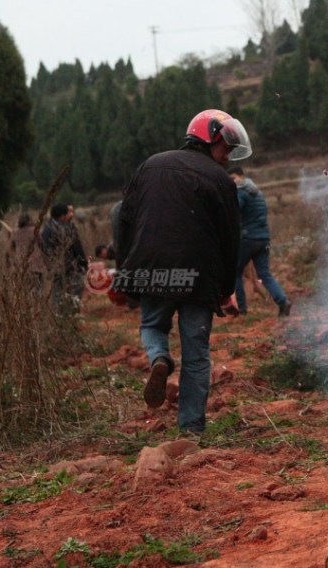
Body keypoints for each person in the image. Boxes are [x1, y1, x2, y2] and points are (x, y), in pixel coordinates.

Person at [115, 109, 251, 434]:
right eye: (225, 147)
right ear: (208, 137)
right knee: (197, 355)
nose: (228, 155)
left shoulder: (150, 165)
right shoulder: (220, 181)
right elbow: (231, 239)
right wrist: (225, 285)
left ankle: (159, 358)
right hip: (199, 277)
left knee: (151, 325)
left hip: (150, 269)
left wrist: (126, 269)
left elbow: (123, 218)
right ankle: (191, 428)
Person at [227, 165, 292, 317]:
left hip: (248, 239)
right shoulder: (257, 192)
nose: (232, 182)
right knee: (264, 274)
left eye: (233, 179)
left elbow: (233, 213)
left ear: (241, 177)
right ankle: (283, 302)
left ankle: (241, 309)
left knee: (235, 272)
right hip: (264, 239)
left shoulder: (241, 192)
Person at [41, 203, 88, 308]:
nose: (69, 215)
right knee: (78, 284)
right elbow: (76, 246)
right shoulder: (65, 227)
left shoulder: (47, 228)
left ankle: (60, 314)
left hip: (55, 266)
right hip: (67, 265)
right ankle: (71, 310)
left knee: (58, 290)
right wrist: (83, 263)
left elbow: (44, 249)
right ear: (62, 216)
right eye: (67, 213)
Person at [9, 213, 47, 290]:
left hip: (21, 263)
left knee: (25, 289)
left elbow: (12, 247)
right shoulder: (34, 230)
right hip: (36, 263)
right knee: (37, 288)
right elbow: (41, 243)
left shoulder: (14, 232)